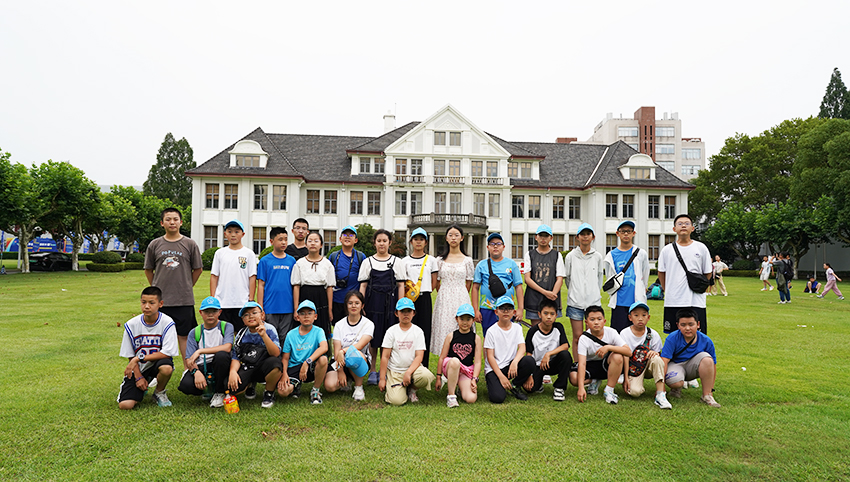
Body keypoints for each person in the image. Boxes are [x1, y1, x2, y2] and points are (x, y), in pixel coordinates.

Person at [144, 207, 203, 362]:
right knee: (159, 337)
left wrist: (187, 285)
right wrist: (156, 288)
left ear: (181, 222)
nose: (172, 222)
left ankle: (188, 368)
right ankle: (158, 369)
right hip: (161, 301)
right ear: (162, 223)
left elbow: (198, 269)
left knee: (185, 336)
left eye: (175, 219)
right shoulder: (155, 244)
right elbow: (148, 269)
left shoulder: (190, 244)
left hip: (183, 300)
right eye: (168, 219)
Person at [117, 286, 178, 409]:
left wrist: (138, 358)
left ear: (160, 304)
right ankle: (142, 385)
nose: (146, 306)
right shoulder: (131, 325)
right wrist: (138, 377)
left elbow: (167, 353)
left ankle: (159, 392)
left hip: (157, 364)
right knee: (125, 405)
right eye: (143, 302)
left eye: (151, 303)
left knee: (166, 368)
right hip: (139, 368)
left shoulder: (167, 323)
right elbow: (130, 355)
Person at [359, 229, 406, 385]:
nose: (381, 244)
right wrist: (361, 305)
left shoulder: (397, 262)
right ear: (375, 243)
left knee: (389, 337)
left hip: (391, 304)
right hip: (372, 303)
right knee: (373, 337)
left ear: (389, 243)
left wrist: (400, 306)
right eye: (379, 240)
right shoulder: (368, 262)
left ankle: (386, 370)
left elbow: (401, 285)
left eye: (384, 241)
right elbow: (363, 285)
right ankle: (373, 370)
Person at [657, 214, 712, 334]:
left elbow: (707, 273)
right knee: (674, 335)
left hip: (695, 300)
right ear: (674, 229)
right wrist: (667, 290)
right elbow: (661, 273)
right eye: (680, 224)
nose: (683, 226)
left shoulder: (701, 248)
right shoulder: (667, 250)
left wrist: (698, 286)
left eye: (687, 223)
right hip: (673, 301)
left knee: (697, 335)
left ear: (692, 228)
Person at [177, 296, 234, 408]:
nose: (210, 314)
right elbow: (189, 358)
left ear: (220, 312)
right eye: (207, 311)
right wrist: (196, 372)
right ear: (201, 313)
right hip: (202, 365)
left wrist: (200, 351)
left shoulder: (226, 326)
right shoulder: (195, 332)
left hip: (221, 364)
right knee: (186, 385)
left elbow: (227, 347)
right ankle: (207, 390)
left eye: (214, 311)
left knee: (221, 356)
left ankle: (219, 392)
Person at [378, 298, 435, 406]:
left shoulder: (418, 331)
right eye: (402, 311)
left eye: (409, 311)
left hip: (413, 370)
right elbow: (385, 356)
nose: (406, 314)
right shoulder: (391, 331)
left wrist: (408, 372)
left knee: (425, 375)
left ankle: (412, 389)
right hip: (396, 371)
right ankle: (399, 387)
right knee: (396, 401)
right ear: (396, 313)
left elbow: (419, 356)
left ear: (414, 313)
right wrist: (382, 379)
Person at [569, 305, 630, 405]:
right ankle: (594, 381)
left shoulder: (611, 332)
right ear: (586, 322)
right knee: (574, 378)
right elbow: (582, 364)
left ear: (604, 321)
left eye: (599, 319)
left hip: (606, 365)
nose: (596, 322)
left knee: (618, 356)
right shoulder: (583, 338)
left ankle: (609, 390)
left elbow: (628, 351)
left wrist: (608, 347)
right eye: (592, 319)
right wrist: (581, 388)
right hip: (590, 366)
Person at [227, 301, 283, 409]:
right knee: (232, 388)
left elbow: (276, 353)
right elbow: (236, 356)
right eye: (246, 315)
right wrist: (233, 372)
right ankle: (250, 384)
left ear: (262, 315)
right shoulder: (241, 333)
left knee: (275, 364)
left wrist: (264, 335)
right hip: (248, 366)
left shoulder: (270, 329)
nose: (250, 316)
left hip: (264, 366)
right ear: (243, 319)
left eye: (254, 313)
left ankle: (269, 393)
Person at [661, 308, 721, 408]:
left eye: (691, 324)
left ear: (698, 324)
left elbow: (713, 365)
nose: (687, 328)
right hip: (676, 365)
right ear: (678, 325)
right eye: (683, 325)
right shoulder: (672, 338)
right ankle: (676, 389)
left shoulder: (706, 340)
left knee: (707, 359)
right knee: (676, 382)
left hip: (693, 367)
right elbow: (664, 362)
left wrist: (711, 389)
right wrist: (661, 389)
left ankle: (707, 396)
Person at [430, 225, 474, 357]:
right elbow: (437, 281)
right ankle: (444, 360)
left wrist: (460, 293)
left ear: (462, 238)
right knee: (444, 326)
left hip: (461, 297)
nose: (453, 238)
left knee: (461, 325)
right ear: (446, 238)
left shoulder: (467, 260)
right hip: (444, 298)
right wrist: (445, 292)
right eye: (450, 235)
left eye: (456, 235)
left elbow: (469, 282)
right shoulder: (439, 260)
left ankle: (462, 358)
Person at [483, 296, 536, 404]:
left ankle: (515, 385)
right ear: (496, 312)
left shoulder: (517, 328)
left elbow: (522, 348)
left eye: (509, 308)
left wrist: (515, 362)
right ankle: (496, 383)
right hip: (495, 368)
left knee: (529, 361)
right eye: (502, 308)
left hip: (511, 366)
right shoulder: (491, 331)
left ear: (514, 312)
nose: (506, 311)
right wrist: (501, 377)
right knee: (497, 398)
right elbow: (490, 357)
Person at [619, 302, 671, 409]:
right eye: (636, 315)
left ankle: (660, 394)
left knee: (657, 359)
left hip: (648, 367)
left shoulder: (653, 334)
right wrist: (626, 378)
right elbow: (625, 356)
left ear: (648, 317)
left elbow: (659, 356)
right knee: (634, 392)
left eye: (643, 315)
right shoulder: (624, 333)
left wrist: (655, 353)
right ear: (630, 317)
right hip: (633, 368)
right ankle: (634, 382)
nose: (640, 319)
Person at [563, 223, 604, 360]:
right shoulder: (571, 256)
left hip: (593, 303)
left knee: (592, 337)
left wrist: (593, 292)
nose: (585, 237)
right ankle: (577, 365)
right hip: (575, 303)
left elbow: (599, 278)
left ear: (593, 237)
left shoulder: (597, 256)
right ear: (577, 237)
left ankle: (590, 366)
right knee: (578, 337)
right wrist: (575, 292)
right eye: (582, 234)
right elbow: (568, 279)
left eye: (588, 234)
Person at [277, 300, 330, 404]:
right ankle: (296, 386)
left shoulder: (319, 331)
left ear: (315, 316)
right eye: (302, 313)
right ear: (298, 317)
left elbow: (324, 347)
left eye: (309, 313)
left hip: (310, 366)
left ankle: (315, 391)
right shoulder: (291, 334)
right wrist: (284, 374)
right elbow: (285, 358)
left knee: (323, 359)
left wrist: (307, 362)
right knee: (283, 392)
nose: (306, 316)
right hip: (295, 366)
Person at [325, 291, 374, 401]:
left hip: (359, 359)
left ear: (362, 305)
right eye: (350, 303)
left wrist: (343, 351)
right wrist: (340, 371)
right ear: (346, 305)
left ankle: (358, 387)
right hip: (340, 360)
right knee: (330, 386)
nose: (353, 306)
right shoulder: (339, 325)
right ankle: (347, 380)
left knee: (353, 355)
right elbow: (337, 351)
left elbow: (359, 346)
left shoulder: (368, 324)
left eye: (357, 303)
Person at [472, 233, 524, 336]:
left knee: (508, 336)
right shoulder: (481, 265)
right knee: (488, 336)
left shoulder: (511, 264)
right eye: (492, 244)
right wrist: (476, 310)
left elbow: (518, 287)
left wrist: (520, 309)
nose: (495, 246)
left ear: (503, 247)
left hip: (507, 308)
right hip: (487, 308)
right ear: (488, 247)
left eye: (498, 244)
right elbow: (475, 288)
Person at [521, 298, 573, 402]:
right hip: (538, 365)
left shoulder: (558, 327)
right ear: (539, 314)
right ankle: (538, 383)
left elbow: (565, 345)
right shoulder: (532, 332)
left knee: (565, 355)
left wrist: (548, 354)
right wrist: (529, 375)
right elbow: (529, 354)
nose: (549, 317)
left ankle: (559, 388)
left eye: (552, 314)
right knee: (530, 389)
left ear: (556, 315)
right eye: (545, 313)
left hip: (553, 363)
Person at [401, 227, 439, 367]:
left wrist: (423, 290)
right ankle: (408, 364)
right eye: (415, 239)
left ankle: (423, 365)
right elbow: (402, 282)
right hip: (409, 300)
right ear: (411, 241)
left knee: (424, 331)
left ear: (426, 242)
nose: (418, 242)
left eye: (421, 239)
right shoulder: (404, 261)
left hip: (424, 298)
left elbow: (434, 281)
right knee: (408, 330)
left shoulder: (431, 260)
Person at [603, 220, 650, 332]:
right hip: (619, 301)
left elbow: (645, 273)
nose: (626, 234)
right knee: (618, 333)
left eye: (629, 231)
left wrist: (643, 288)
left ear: (633, 233)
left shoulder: (641, 253)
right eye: (623, 231)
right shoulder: (611, 255)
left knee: (636, 332)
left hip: (636, 301)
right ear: (617, 233)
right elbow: (609, 277)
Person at [210, 220, 257, 332]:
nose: (233, 235)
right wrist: (213, 298)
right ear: (225, 234)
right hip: (223, 301)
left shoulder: (249, 253)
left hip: (242, 301)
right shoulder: (220, 253)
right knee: (223, 333)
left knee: (242, 333)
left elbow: (252, 277)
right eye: (230, 231)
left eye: (236, 232)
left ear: (243, 234)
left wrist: (250, 299)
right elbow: (214, 276)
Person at [435, 303, 482, 407]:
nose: (465, 322)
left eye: (468, 319)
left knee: (471, 399)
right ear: (457, 319)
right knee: (455, 361)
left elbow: (478, 362)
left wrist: (474, 379)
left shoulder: (476, 338)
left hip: (465, 370)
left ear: (473, 320)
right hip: (451, 367)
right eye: (462, 319)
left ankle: (460, 388)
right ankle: (451, 396)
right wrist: (438, 377)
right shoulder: (451, 336)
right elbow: (442, 357)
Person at [291, 231, 335, 339]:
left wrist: (330, 310)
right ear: (306, 244)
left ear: (321, 245)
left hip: (321, 298)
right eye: (310, 241)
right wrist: (296, 308)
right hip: (304, 297)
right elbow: (296, 286)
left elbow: (329, 288)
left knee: (321, 328)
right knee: (303, 327)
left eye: (316, 241)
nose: (313, 243)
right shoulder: (299, 263)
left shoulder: (327, 264)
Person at [256, 227, 296, 337]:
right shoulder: (264, 261)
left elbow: (295, 286)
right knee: (270, 337)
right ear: (271, 241)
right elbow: (261, 285)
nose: (283, 242)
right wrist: (260, 309)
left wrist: (295, 307)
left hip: (287, 307)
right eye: (280, 239)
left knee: (285, 337)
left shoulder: (291, 261)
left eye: (286, 239)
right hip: (270, 307)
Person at [522, 224, 565, 326]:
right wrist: (545, 292)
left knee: (550, 329)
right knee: (536, 329)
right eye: (541, 235)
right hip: (534, 299)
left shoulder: (556, 255)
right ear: (536, 237)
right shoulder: (530, 254)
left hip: (551, 299)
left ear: (551, 238)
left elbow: (559, 278)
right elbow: (527, 279)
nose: (543, 238)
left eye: (546, 236)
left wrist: (553, 295)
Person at [329, 225, 366, 323]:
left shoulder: (360, 256)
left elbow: (364, 281)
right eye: (345, 235)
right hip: (336, 300)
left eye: (351, 235)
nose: (347, 237)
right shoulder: (333, 256)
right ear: (340, 239)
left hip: (354, 302)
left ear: (356, 240)